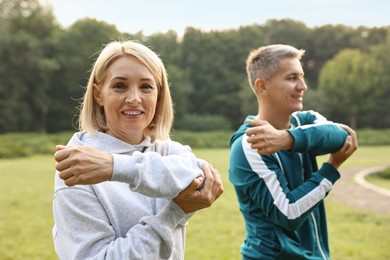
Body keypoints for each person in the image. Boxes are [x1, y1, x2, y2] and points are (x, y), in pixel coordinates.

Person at [52, 40, 224, 259]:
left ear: (159, 95)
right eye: (120, 86)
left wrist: (113, 167)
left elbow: (198, 174)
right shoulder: (77, 166)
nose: (134, 98)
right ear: (98, 94)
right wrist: (174, 213)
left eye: (146, 86)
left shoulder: (166, 150)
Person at [228, 44, 358, 260]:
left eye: (302, 76)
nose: (303, 86)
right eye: (291, 78)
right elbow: (288, 212)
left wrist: (287, 139)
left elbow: (341, 135)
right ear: (262, 86)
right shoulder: (249, 144)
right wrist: (331, 168)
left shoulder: (304, 120)